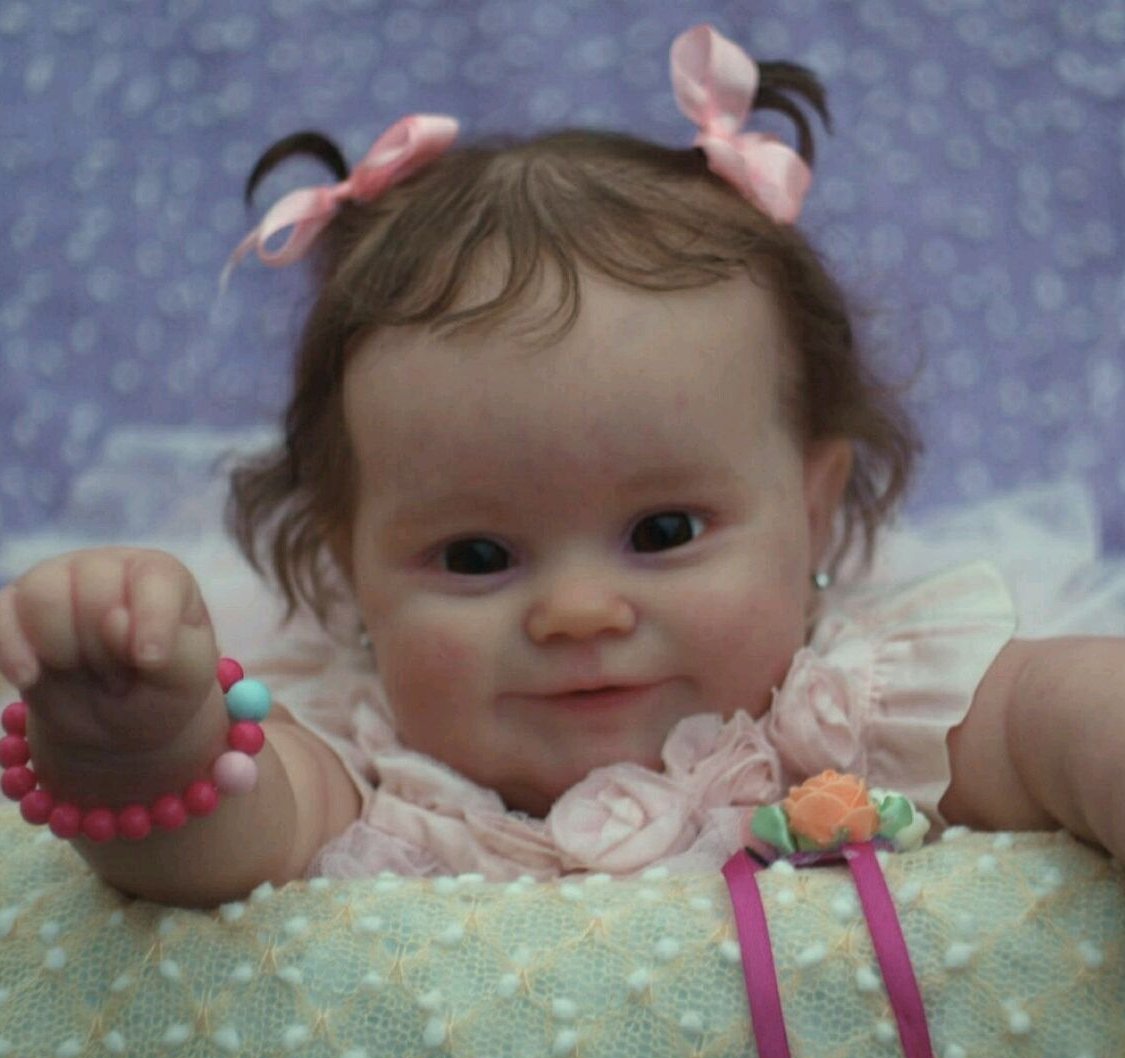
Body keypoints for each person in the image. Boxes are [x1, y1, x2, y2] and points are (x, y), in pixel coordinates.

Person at [0, 25, 1121, 908]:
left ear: (813, 508)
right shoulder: (363, 766)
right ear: (349, 564)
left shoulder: (849, 711)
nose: (579, 611)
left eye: (664, 532)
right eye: (475, 555)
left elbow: (1043, 710)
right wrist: (145, 747)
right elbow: (217, 848)